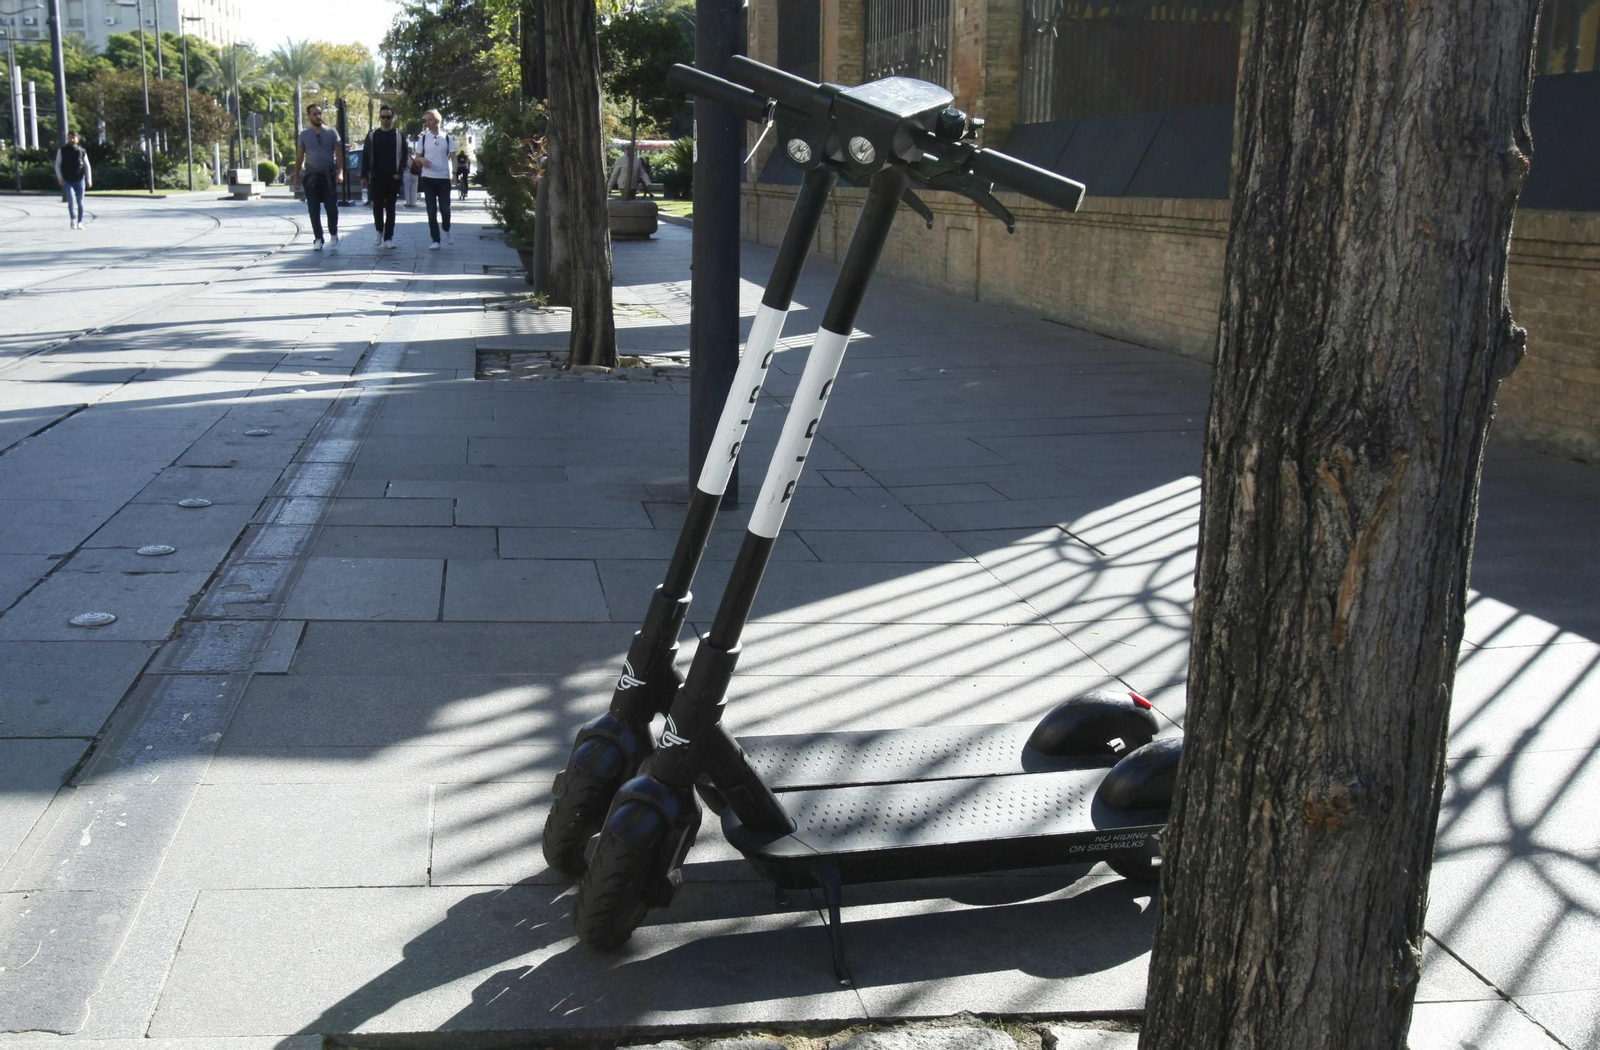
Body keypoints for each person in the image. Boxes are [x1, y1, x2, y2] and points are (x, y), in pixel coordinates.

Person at [292, 102, 345, 250]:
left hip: (328, 175)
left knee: (331, 207)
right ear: (309, 116)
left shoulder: (332, 132)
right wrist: (296, 177)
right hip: (311, 176)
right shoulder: (304, 135)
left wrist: (340, 172)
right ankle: (318, 238)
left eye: (319, 113)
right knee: (313, 209)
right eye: (314, 114)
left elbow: (339, 155)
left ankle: (333, 233)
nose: (318, 116)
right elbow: (299, 156)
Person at [361, 103, 409, 250]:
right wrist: (364, 175)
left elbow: (404, 156)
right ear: (379, 118)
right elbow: (365, 156)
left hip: (392, 178)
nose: (386, 120)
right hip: (376, 177)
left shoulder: (398, 136)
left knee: (391, 208)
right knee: (377, 207)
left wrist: (399, 173)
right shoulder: (372, 136)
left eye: (388, 117)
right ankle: (379, 231)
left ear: (392, 118)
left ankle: (389, 237)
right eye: (383, 117)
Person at [415, 110, 455, 250]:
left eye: (430, 120)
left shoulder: (447, 138)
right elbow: (417, 157)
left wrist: (454, 173)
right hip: (428, 178)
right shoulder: (423, 138)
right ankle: (435, 240)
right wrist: (422, 159)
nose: (427, 123)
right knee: (431, 211)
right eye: (426, 120)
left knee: (445, 209)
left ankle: (447, 228)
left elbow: (453, 156)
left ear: (437, 121)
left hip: (443, 178)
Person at [54, 130, 91, 229]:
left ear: (78, 139)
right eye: (70, 137)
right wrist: (60, 177)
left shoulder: (82, 151)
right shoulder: (62, 151)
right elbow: (57, 165)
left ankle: (80, 222)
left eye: (74, 137)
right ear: (68, 138)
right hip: (67, 180)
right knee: (71, 200)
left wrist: (89, 179)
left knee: (80, 202)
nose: (72, 139)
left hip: (80, 179)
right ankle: (73, 219)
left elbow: (87, 166)